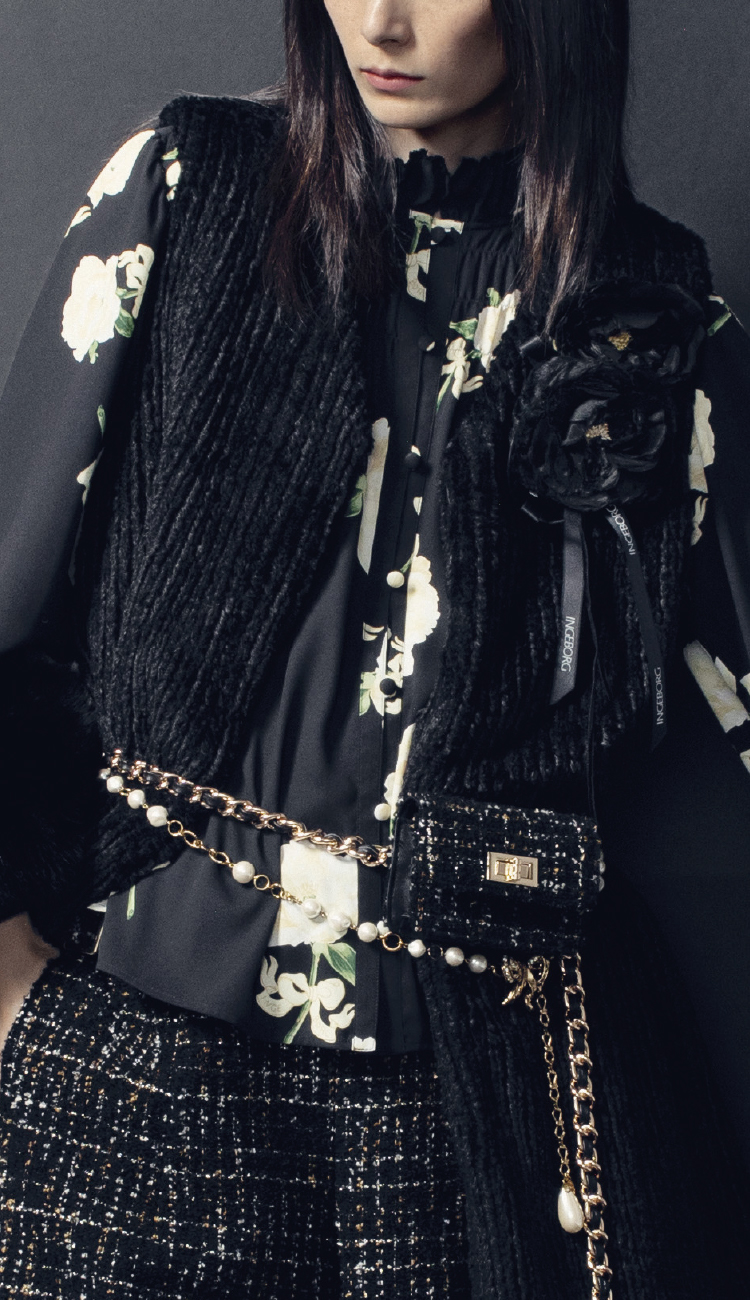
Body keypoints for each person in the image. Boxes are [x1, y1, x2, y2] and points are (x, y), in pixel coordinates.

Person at [0, 0, 748, 1296]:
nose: (383, 20)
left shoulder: (655, 312)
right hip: (139, 1042)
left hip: (487, 1102)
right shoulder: (186, 187)